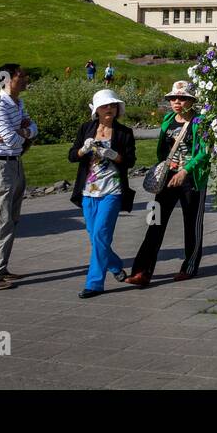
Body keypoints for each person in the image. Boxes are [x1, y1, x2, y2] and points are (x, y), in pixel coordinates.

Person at [125, 81, 209, 286]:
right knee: (154, 221)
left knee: (192, 224)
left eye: (182, 98)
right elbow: (162, 148)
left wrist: (185, 170)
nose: (177, 102)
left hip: (192, 179)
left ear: (192, 100)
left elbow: (206, 152)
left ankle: (189, 267)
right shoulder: (168, 119)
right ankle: (142, 271)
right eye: (173, 99)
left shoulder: (201, 122)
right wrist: (165, 163)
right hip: (167, 178)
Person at [69, 89, 137, 299]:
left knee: (100, 235)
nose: (110, 109)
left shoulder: (124, 132)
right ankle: (115, 266)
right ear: (96, 110)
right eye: (105, 106)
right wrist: (83, 149)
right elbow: (72, 156)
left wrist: (115, 156)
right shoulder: (86, 128)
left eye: (113, 105)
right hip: (88, 191)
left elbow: (130, 161)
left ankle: (94, 283)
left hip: (113, 191)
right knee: (95, 237)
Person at [0, 64, 37, 290]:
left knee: (11, 220)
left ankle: (0, 268)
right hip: (0, 168)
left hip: (15, 165)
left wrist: (22, 132)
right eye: (21, 76)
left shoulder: (18, 103)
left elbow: (33, 129)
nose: (26, 79)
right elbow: (10, 140)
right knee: (0, 222)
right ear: (8, 79)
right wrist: (22, 133)